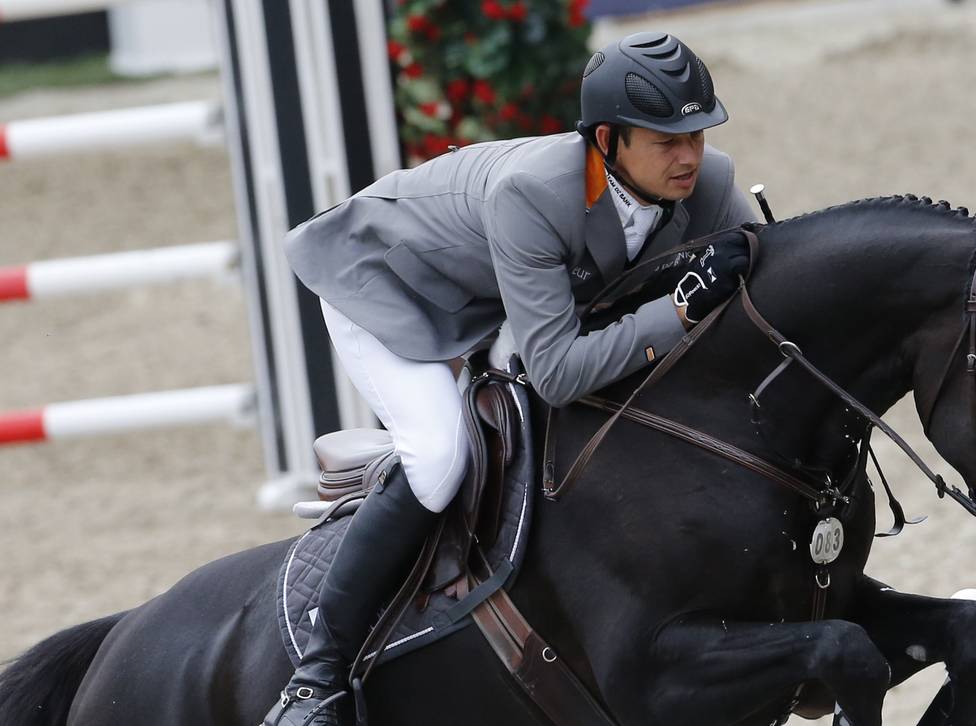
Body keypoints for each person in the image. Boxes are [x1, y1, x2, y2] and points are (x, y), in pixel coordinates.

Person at [262, 31, 757, 726]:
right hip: (382, 286)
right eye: (666, 140)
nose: (689, 156)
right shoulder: (536, 193)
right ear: (608, 139)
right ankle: (316, 677)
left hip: (489, 300)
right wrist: (679, 310)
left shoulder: (707, 183)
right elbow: (557, 372)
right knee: (439, 457)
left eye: (697, 135)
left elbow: (764, 290)